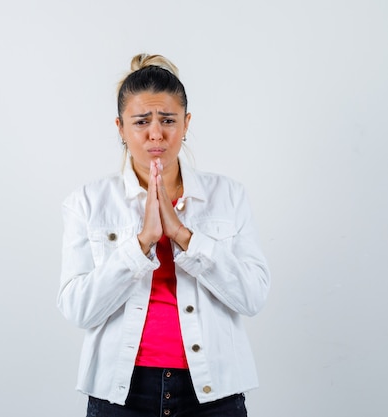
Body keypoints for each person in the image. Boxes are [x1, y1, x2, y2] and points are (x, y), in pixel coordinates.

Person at [57, 53, 270, 417]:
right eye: (141, 121)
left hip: (213, 392)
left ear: (186, 124)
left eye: (168, 120)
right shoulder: (88, 202)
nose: (156, 133)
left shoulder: (229, 196)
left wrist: (184, 236)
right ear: (121, 128)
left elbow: (252, 297)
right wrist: (141, 244)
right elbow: (78, 309)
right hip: (121, 392)